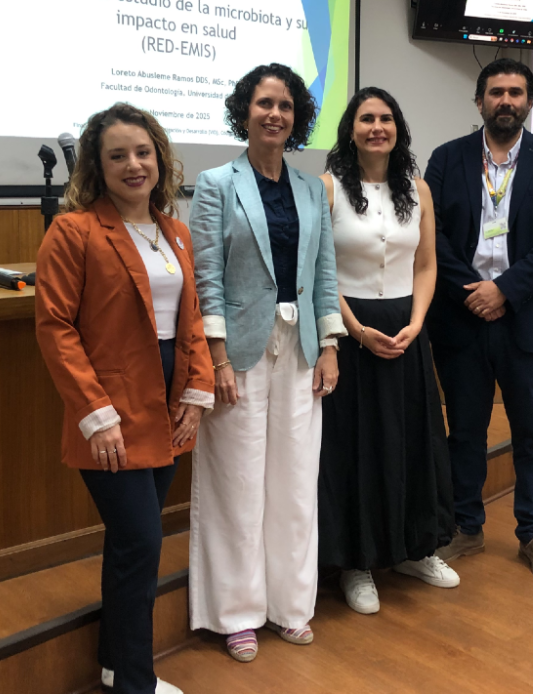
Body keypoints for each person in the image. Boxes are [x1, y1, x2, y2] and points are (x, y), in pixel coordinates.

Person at [36, 102, 214, 694]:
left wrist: (196, 392)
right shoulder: (74, 231)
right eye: (118, 156)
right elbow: (55, 327)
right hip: (111, 408)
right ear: (97, 165)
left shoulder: (175, 233)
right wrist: (95, 415)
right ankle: (135, 682)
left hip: (166, 402)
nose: (134, 165)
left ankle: (115, 664)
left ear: (160, 158)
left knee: (133, 543)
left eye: (143, 152)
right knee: (140, 540)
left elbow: (190, 319)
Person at [188, 63, 345, 662]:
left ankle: (288, 605)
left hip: (302, 348)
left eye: (285, 105)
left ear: (297, 118)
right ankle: (236, 613)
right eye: (263, 104)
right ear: (244, 112)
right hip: (242, 352)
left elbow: (325, 272)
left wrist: (330, 344)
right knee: (237, 481)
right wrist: (218, 358)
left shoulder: (312, 188)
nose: (274, 114)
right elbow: (206, 276)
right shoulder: (215, 184)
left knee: (295, 481)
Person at [425, 58, 533, 581]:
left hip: (528, 319)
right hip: (462, 316)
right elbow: (433, 236)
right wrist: (474, 291)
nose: (506, 101)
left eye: (516, 92)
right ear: (479, 102)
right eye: (496, 92)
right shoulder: (446, 160)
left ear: (529, 102)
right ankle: (466, 527)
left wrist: (504, 292)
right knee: (464, 431)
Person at [317, 87, 458, 615]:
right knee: (356, 445)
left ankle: (413, 549)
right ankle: (357, 563)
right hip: (351, 329)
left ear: (398, 127)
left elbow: (426, 265)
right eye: (366, 118)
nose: (377, 126)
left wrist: (418, 322)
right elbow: (320, 268)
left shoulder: (417, 189)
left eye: (386, 118)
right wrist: (353, 329)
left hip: (406, 327)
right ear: (350, 129)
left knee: (412, 440)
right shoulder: (327, 187)